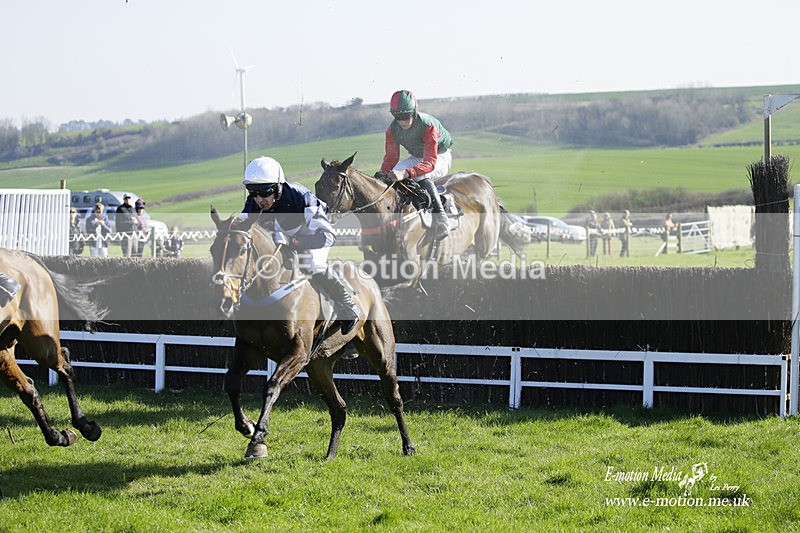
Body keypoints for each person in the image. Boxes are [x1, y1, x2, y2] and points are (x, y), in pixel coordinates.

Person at [241, 156, 359, 334]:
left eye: (264, 192)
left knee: (312, 264)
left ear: (278, 187)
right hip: (283, 236)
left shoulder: (300, 197)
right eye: (253, 192)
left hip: (313, 235)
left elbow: (328, 237)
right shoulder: (254, 202)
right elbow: (240, 232)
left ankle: (348, 306)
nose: (259, 200)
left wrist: (293, 242)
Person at [380, 89, 453, 240]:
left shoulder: (428, 126)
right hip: (418, 157)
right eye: (397, 117)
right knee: (392, 175)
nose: (402, 122)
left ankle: (442, 219)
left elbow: (430, 163)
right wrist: (382, 175)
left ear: (413, 112)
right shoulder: (392, 130)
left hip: (439, 156)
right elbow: (391, 159)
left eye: (405, 116)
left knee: (421, 175)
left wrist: (406, 173)